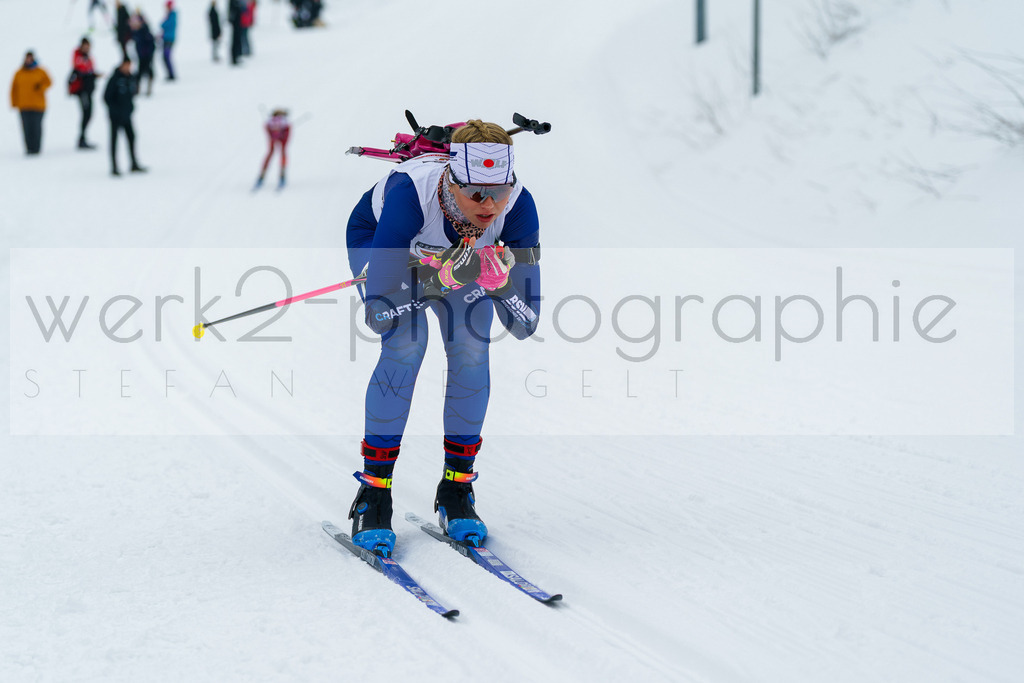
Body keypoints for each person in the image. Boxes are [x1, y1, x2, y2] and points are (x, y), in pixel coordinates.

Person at [344, 120, 541, 556]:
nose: (489, 207)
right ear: (451, 184)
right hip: (384, 245)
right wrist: (439, 279)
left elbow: (526, 323)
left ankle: (457, 489)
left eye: (500, 192)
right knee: (405, 345)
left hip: (461, 264)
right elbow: (380, 314)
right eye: (476, 194)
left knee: (472, 349)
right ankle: (374, 494)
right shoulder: (409, 194)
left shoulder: (520, 207)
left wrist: (500, 282)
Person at [103, 57, 146, 176]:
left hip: (127, 115)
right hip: (115, 116)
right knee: (114, 140)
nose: (128, 68)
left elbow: (132, 93)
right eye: (126, 65)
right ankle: (114, 166)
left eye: (129, 65)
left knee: (131, 137)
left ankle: (133, 163)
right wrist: (115, 110)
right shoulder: (115, 79)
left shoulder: (130, 78)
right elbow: (106, 97)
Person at [9, 51, 52, 156]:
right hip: (24, 105)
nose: (28, 60)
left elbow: (49, 82)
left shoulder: (40, 71)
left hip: (38, 105)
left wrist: (40, 87)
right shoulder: (19, 73)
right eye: (27, 58)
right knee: (26, 128)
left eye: (30, 58)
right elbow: (14, 88)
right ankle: (29, 148)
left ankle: (36, 148)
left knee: (36, 127)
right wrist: (14, 102)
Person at [71, 38, 101, 149]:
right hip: (82, 90)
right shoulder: (78, 56)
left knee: (89, 114)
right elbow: (81, 70)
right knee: (86, 113)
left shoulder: (88, 57)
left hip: (89, 90)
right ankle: (81, 138)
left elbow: (90, 70)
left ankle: (83, 137)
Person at [254, 109, 290, 189]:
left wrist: (273, 137)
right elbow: (287, 134)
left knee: (271, 154)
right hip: (280, 138)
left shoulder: (270, 121)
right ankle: (282, 176)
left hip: (274, 138)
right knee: (282, 153)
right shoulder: (285, 122)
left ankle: (262, 176)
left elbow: (266, 129)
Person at [130, 11, 156, 97]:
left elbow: (151, 43)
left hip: (146, 55)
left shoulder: (145, 31)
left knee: (146, 70)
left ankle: (147, 88)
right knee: (141, 71)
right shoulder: (136, 32)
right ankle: (138, 89)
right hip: (141, 55)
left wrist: (148, 53)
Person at [160, 1, 177, 81]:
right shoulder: (168, 15)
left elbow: (165, 25)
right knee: (164, 57)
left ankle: (171, 74)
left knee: (166, 56)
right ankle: (169, 74)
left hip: (169, 39)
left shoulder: (172, 15)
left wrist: (164, 23)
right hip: (165, 38)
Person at [228, 0, 244, 65]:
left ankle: (237, 56)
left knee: (237, 40)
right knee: (235, 41)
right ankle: (234, 58)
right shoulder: (233, 2)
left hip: (238, 24)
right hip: (235, 24)